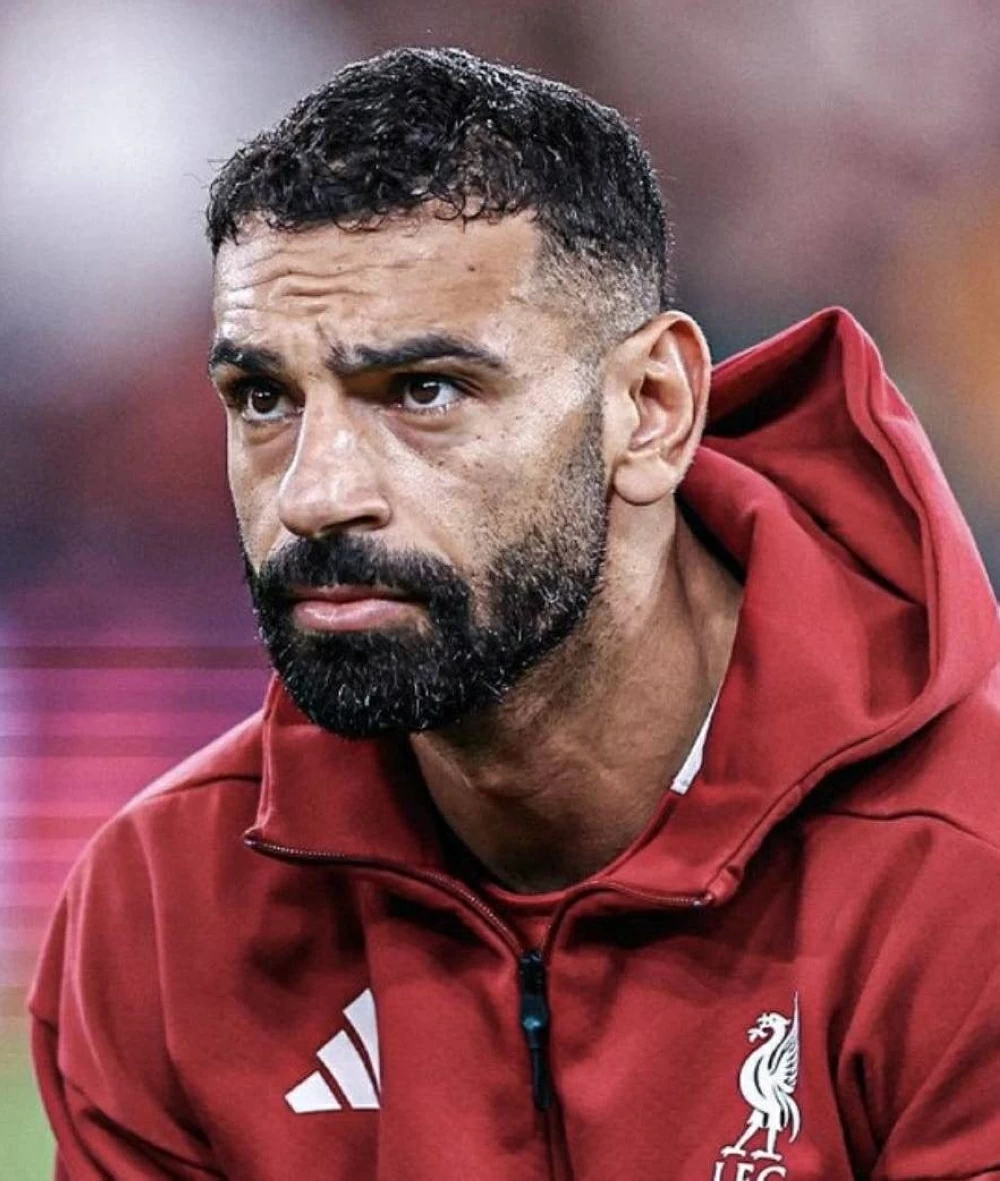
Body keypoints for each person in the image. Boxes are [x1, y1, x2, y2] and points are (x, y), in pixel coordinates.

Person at [30, 46, 1000, 1181]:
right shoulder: (164, 905)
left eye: (423, 390)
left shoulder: (964, 872)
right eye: (263, 398)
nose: (314, 494)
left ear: (650, 408)